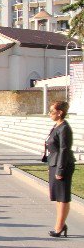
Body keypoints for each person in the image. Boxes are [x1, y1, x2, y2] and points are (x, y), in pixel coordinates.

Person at [45, 101, 76, 238]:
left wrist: (60, 169)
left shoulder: (64, 128)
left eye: (51, 111)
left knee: (63, 196)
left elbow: (64, 149)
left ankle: (59, 227)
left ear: (60, 112)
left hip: (62, 165)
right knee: (57, 196)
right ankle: (61, 224)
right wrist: (51, 166)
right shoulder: (56, 126)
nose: (49, 114)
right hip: (54, 163)